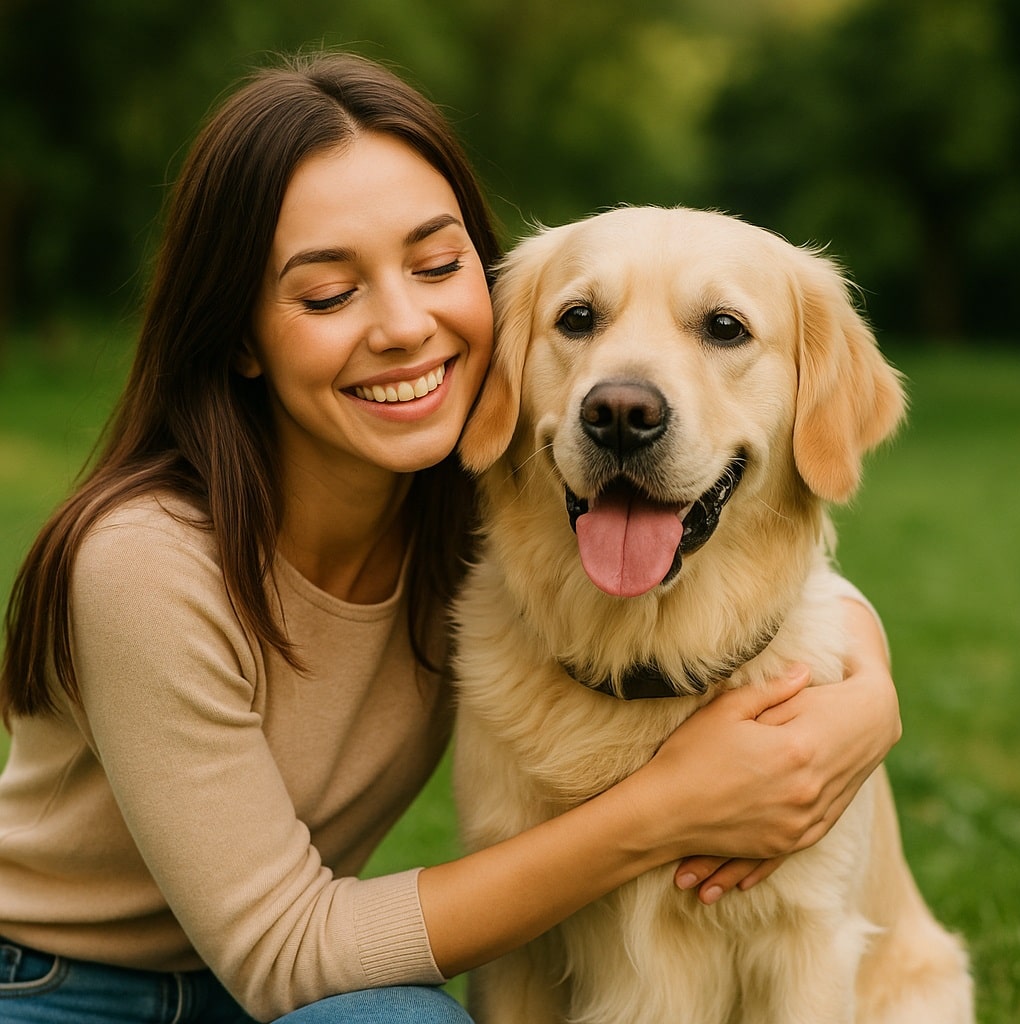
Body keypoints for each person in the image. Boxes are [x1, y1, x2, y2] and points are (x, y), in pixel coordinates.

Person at [0, 50, 901, 1024]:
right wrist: (666, 809)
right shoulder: (145, 561)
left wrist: (870, 690)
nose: (401, 325)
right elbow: (284, 952)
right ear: (239, 334)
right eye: (325, 293)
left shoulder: (479, 491)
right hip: (62, 988)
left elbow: (775, 573)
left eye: (434, 266)